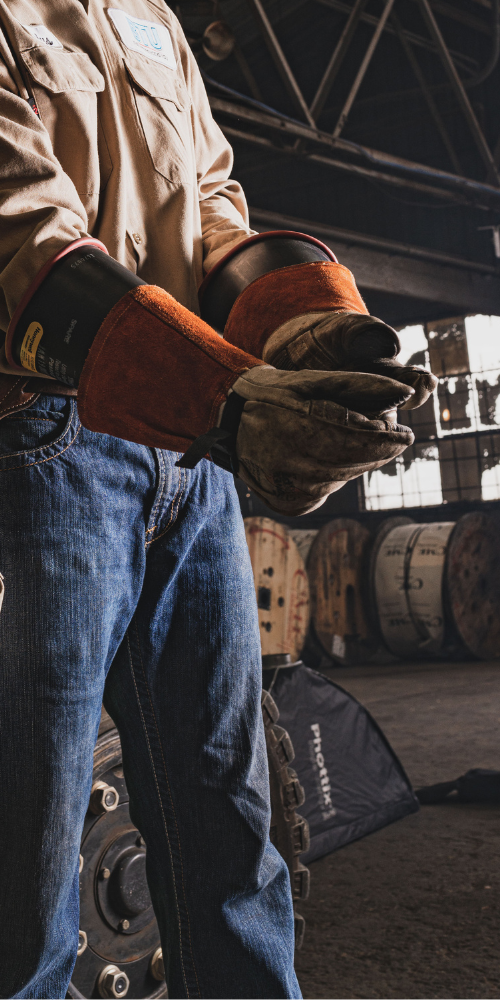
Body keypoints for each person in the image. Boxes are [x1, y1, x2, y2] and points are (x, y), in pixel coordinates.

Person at [0, 3, 435, 998]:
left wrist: (305, 322)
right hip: (48, 442)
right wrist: (223, 399)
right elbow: (18, 230)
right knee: (28, 849)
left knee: (231, 823)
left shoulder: (146, 15)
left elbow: (208, 201)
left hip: (188, 445)